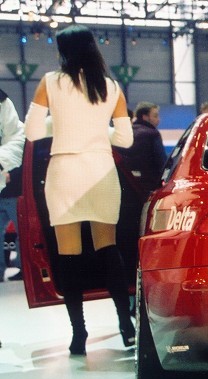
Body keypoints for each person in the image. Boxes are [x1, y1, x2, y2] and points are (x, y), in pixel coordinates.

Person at [24, 24, 134, 356]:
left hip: (65, 172)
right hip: (100, 170)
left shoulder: (50, 82)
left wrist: (61, 125)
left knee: (68, 256)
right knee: (108, 250)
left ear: (64, 52)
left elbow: (30, 132)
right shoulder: (112, 87)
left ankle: (78, 335)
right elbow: (126, 139)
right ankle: (126, 327)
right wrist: (99, 132)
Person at [114, 101, 167, 284]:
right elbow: (162, 165)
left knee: (127, 243)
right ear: (145, 116)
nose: (158, 120)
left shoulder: (124, 134)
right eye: (155, 116)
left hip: (124, 197)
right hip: (146, 196)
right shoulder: (152, 135)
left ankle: (128, 283)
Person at [0, 89, 25, 283]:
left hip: (13, 195)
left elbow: (17, 148)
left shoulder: (18, 134)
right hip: (10, 194)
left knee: (21, 236)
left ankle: (24, 270)